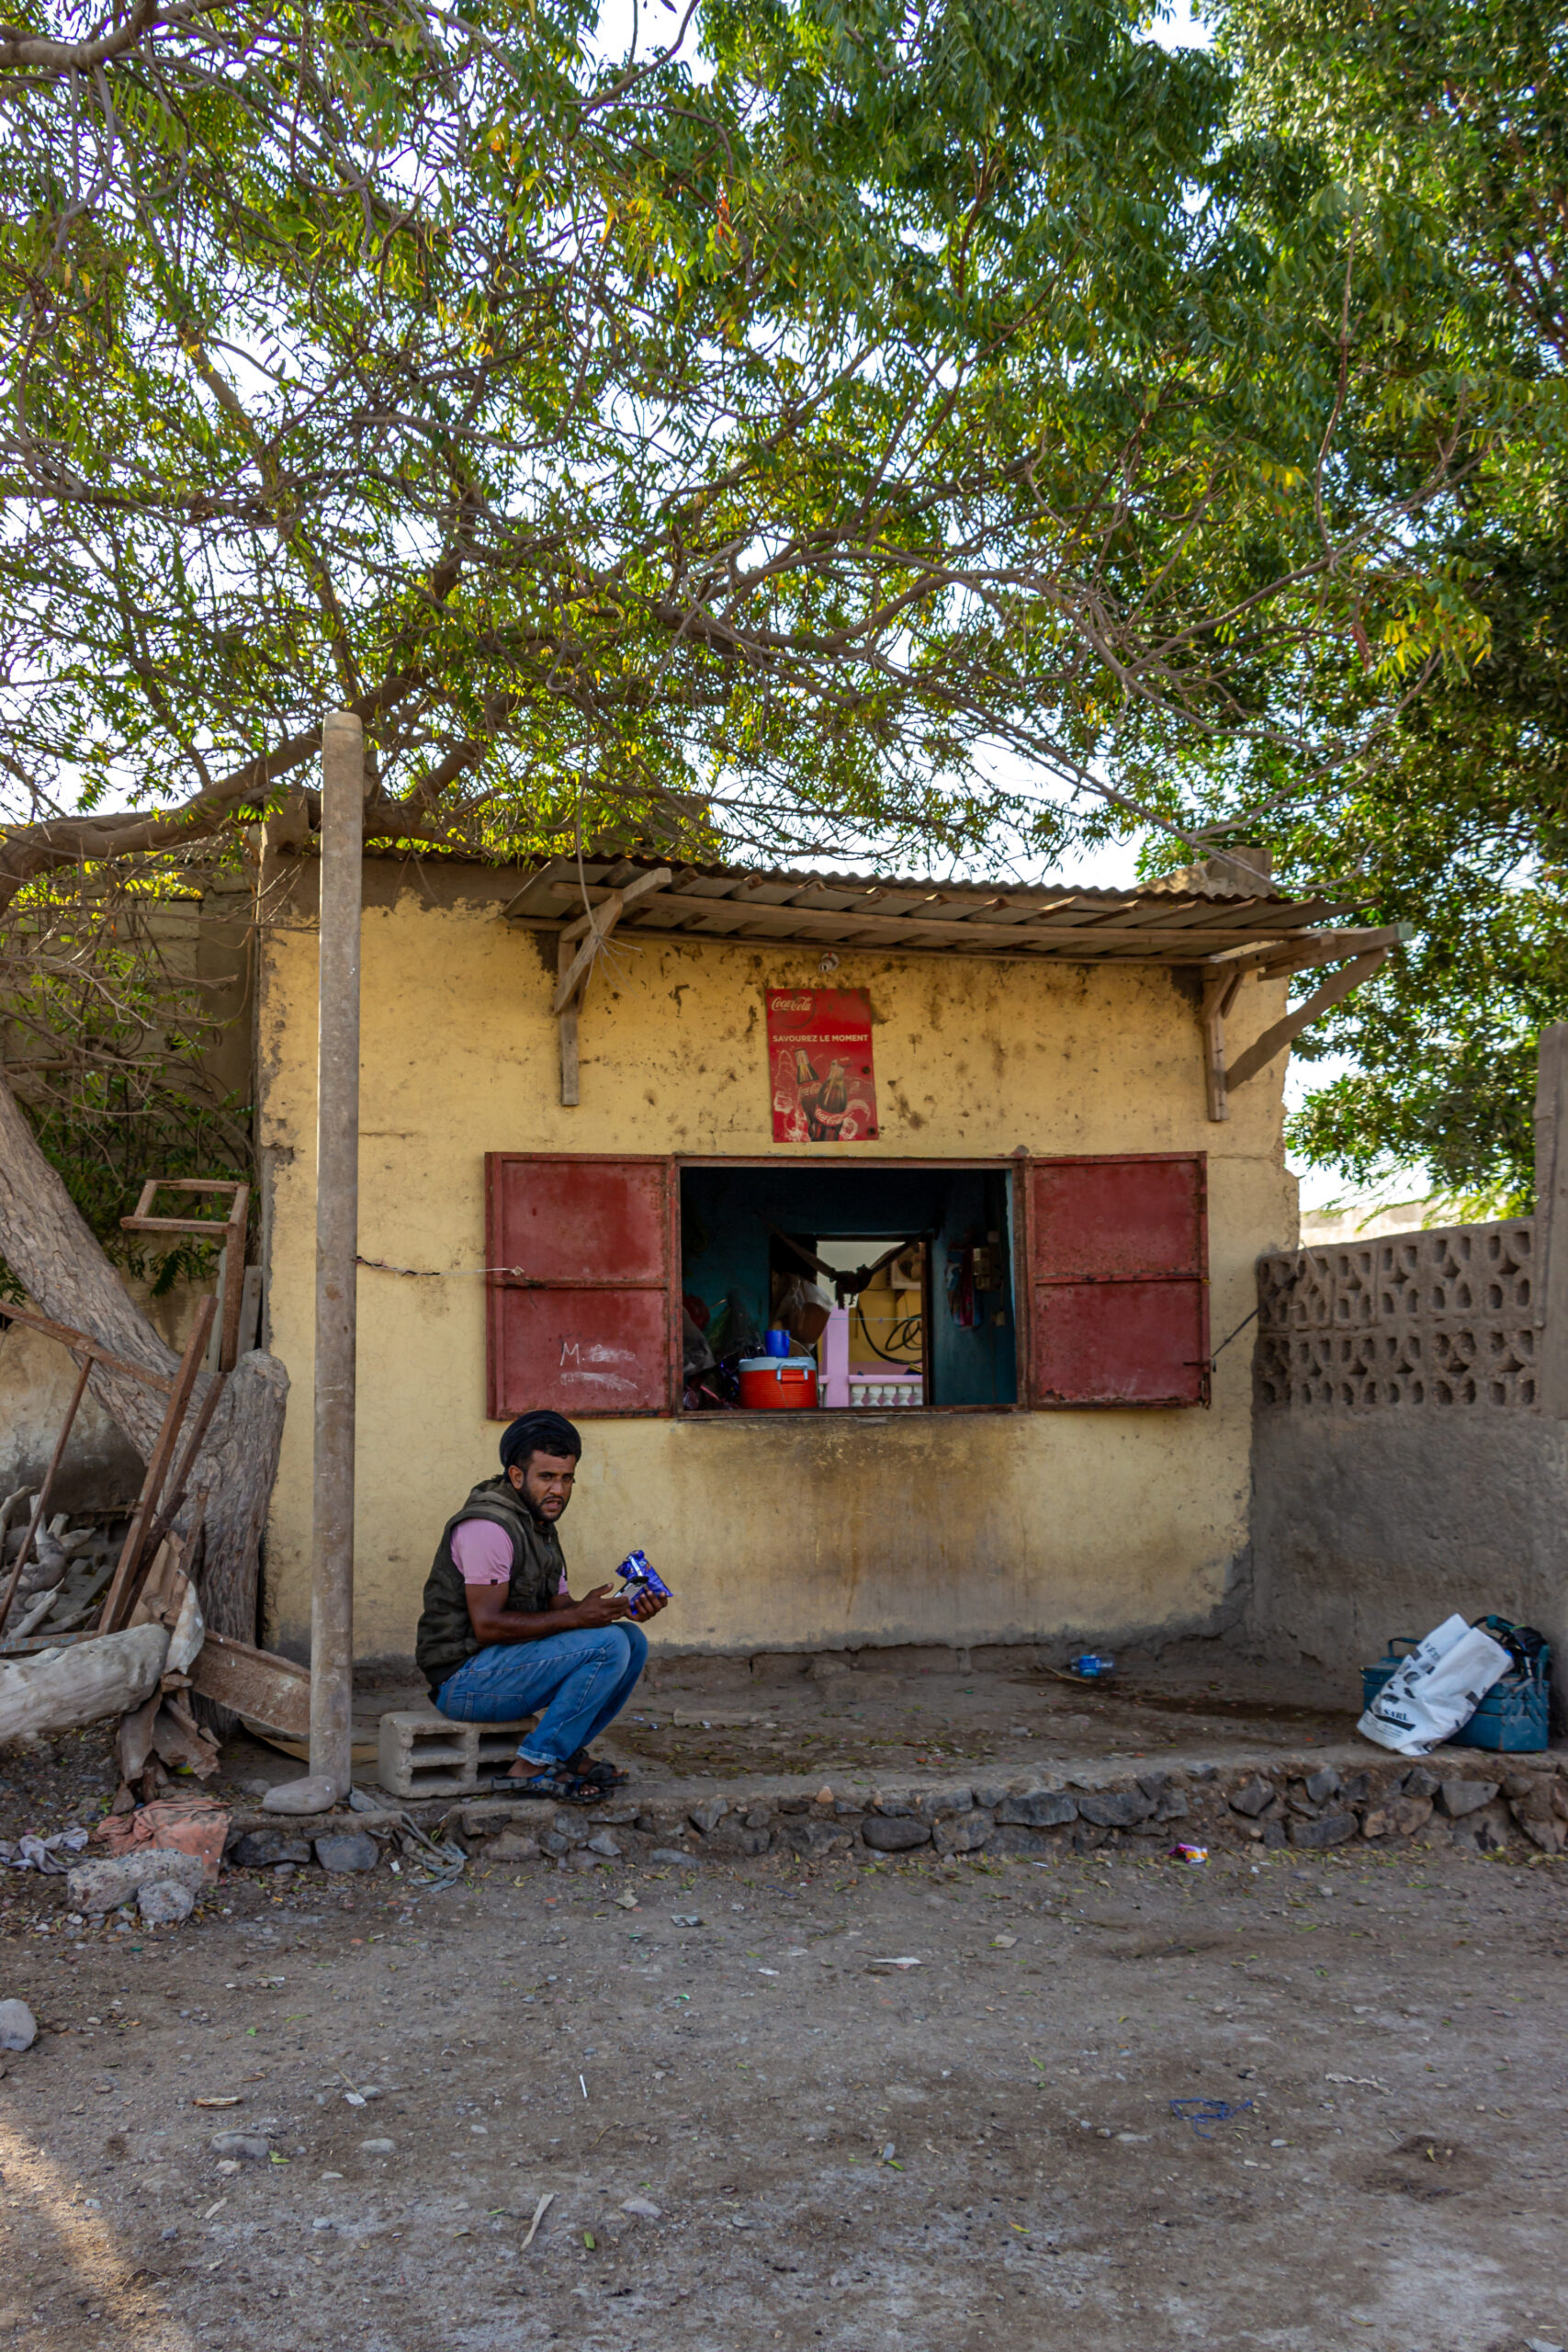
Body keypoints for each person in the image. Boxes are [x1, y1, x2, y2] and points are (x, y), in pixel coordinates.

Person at [414, 1409, 666, 1804]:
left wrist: (615, 1610)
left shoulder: (540, 1526)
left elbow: (562, 1610)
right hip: (463, 1681)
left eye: (567, 1479)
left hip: (506, 1667)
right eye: (547, 1477)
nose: (559, 1490)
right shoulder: (489, 1527)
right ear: (517, 1476)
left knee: (629, 1639)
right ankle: (531, 1769)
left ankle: (562, 1755)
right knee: (609, 1645)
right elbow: (488, 1627)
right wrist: (578, 1618)